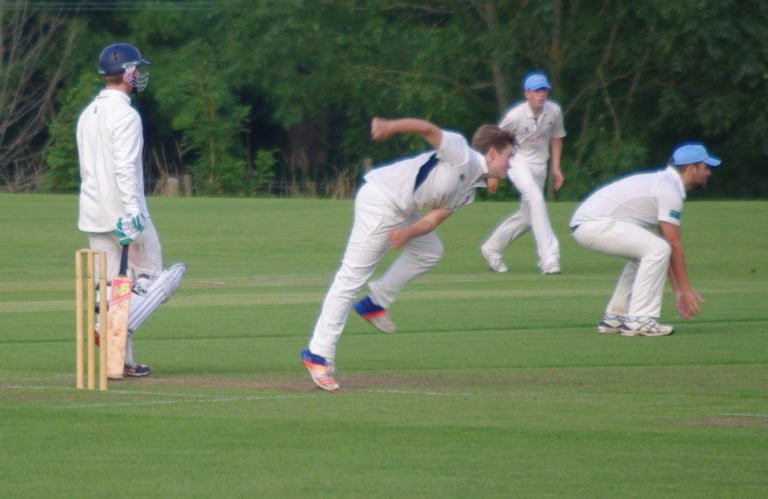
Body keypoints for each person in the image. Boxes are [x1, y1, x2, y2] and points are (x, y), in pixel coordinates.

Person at [301, 117, 517, 391]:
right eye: (509, 157)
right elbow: (428, 129)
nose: (510, 165)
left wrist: (407, 234)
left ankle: (374, 302)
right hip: (381, 201)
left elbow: (431, 221)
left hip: (401, 211)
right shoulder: (461, 153)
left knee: (431, 250)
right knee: (350, 278)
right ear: (493, 152)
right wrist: (389, 127)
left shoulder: (470, 189)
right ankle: (318, 355)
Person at [76, 42, 186, 377]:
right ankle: (107, 326)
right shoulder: (126, 115)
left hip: (94, 213)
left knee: (112, 287)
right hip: (124, 213)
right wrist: (133, 213)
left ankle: (121, 362)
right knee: (157, 279)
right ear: (126, 73)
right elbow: (125, 169)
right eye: (136, 69)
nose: (138, 75)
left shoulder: (88, 113)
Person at [569, 142, 721, 336]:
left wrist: (678, 292)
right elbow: (673, 245)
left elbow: (666, 246)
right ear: (691, 168)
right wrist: (686, 289)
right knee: (657, 249)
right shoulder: (669, 190)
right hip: (594, 224)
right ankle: (640, 320)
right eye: (705, 167)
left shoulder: (665, 184)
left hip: (587, 225)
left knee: (651, 252)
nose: (709, 172)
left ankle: (616, 317)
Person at [480, 71, 566, 275]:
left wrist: (556, 167)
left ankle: (492, 247)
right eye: (537, 91)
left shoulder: (554, 111)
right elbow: (495, 141)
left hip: (540, 166)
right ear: (527, 93)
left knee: (528, 218)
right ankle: (549, 258)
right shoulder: (515, 116)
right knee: (536, 199)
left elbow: (556, 137)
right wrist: (492, 174)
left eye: (544, 90)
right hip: (517, 163)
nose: (541, 94)